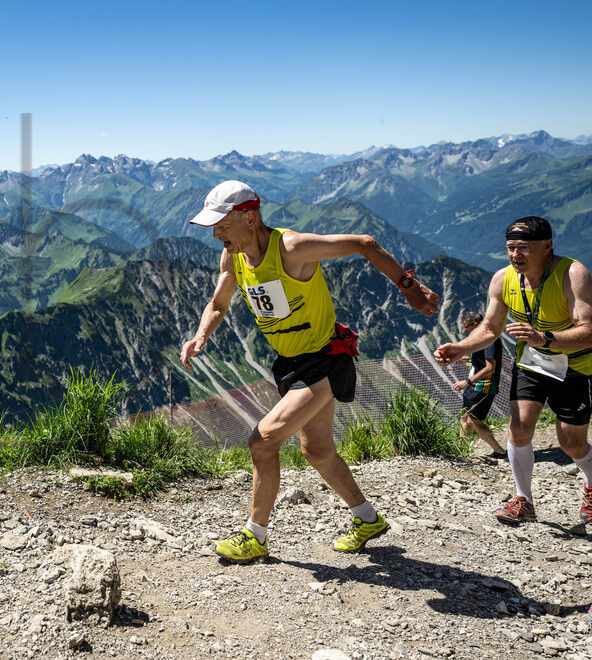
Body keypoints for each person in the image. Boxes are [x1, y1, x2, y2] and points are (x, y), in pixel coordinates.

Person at [181, 180, 440, 562]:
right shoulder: (233, 257)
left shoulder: (291, 248)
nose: (216, 233)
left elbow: (364, 243)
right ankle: (367, 519)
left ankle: (255, 536)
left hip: (324, 359)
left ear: (249, 218)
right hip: (291, 363)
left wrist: (408, 286)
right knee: (317, 450)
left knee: (262, 442)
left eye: (222, 224)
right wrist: (201, 335)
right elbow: (218, 304)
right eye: (213, 226)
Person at [434, 216, 592, 525]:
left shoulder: (573, 274)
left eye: (523, 247)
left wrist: (545, 338)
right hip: (532, 364)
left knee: (571, 443)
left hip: (574, 366)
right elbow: (490, 328)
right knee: (518, 428)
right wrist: (461, 348)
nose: (515, 254)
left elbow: (588, 331)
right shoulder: (502, 279)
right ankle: (523, 500)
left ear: (547, 246)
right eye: (510, 247)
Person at [452, 311, 507, 459]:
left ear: (475, 324)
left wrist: (467, 381)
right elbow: (479, 359)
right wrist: (461, 359)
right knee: (464, 415)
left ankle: (500, 451)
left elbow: (490, 367)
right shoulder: (480, 339)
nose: (465, 330)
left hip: (484, 384)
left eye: (466, 327)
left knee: (474, 420)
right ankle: (460, 450)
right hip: (475, 384)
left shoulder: (490, 339)